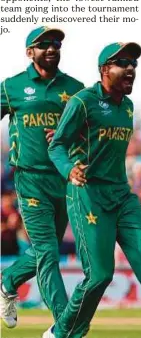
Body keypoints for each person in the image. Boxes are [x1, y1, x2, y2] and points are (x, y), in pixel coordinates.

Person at [46, 42, 141, 338]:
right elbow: (57, 146)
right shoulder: (82, 102)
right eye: (122, 63)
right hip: (88, 196)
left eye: (133, 63)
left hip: (122, 196)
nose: (130, 68)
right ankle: (61, 332)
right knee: (100, 276)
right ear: (104, 70)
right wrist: (70, 169)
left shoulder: (127, 106)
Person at [0, 26, 85, 329]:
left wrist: (69, 133)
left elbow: (92, 132)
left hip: (64, 179)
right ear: (29, 52)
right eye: (44, 44)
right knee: (48, 252)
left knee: (42, 251)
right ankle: (66, 324)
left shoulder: (76, 89)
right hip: (30, 178)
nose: (52, 48)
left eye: (56, 44)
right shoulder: (12, 86)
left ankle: (8, 279)